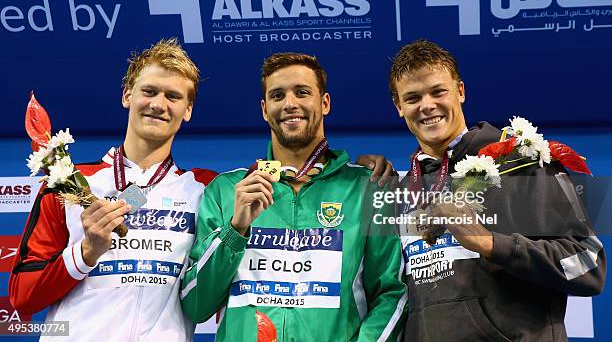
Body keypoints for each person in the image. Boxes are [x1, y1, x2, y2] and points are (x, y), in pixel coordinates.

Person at [389, 39, 606, 341]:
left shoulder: (521, 161)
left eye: (438, 91)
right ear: (400, 107)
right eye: (412, 98)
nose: (427, 105)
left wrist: (491, 244)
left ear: (460, 92)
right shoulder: (402, 189)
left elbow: (587, 265)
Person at [180, 52, 407, 341]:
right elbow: (196, 304)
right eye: (277, 95)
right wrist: (235, 230)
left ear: (324, 103)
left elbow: (391, 293)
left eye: (302, 92)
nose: (290, 104)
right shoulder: (228, 191)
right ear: (265, 109)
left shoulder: (368, 187)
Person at [9, 39, 218, 341]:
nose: (159, 104)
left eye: (173, 96)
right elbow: (23, 297)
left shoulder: (204, 189)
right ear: (127, 95)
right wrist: (85, 253)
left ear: (187, 110)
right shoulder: (69, 182)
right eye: (149, 91)